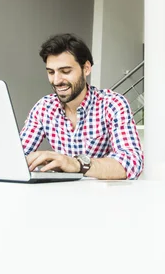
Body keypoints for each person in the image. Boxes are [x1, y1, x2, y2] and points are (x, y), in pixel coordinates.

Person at [20, 33, 144, 180]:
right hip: (61, 195)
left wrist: (77, 164)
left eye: (66, 71)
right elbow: (17, 156)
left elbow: (132, 163)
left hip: (105, 198)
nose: (57, 80)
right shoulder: (44, 107)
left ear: (86, 68)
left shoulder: (112, 104)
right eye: (51, 72)